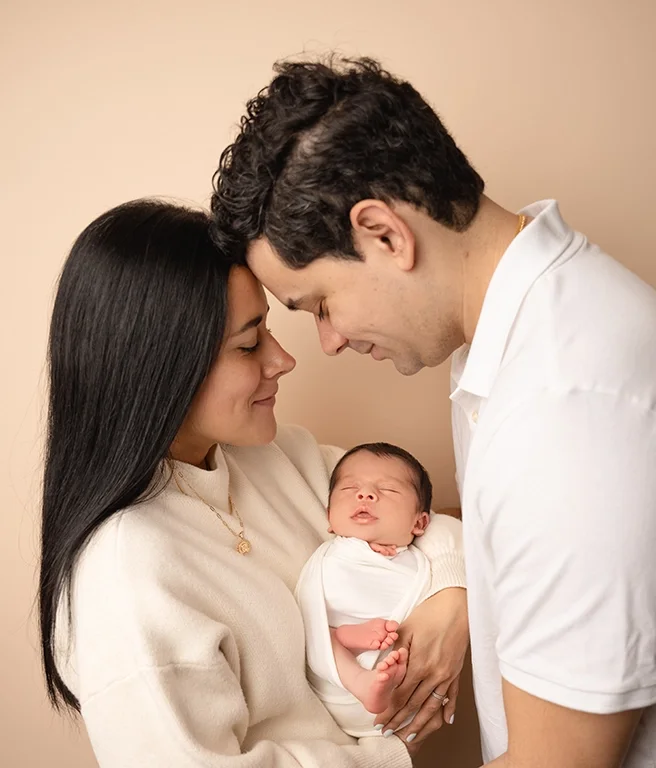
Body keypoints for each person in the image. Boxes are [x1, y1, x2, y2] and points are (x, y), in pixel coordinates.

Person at [210, 56, 656, 767]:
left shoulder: (561, 413)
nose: (327, 341)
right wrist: (460, 596)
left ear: (384, 234)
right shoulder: (531, 335)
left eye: (320, 304)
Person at [38, 198, 469, 768]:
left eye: (267, 328)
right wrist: (389, 748)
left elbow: (432, 526)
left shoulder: (277, 458)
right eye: (248, 344)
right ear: (162, 367)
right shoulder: (126, 571)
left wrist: (450, 606)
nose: (284, 359)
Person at [297, 442, 461, 739]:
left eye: (388, 490)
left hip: (406, 689)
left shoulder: (419, 558)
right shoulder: (335, 553)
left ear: (420, 522)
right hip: (345, 685)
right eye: (350, 489)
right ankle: (353, 658)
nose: (365, 494)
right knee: (321, 632)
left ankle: (356, 648)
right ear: (329, 516)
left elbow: (453, 534)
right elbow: (309, 617)